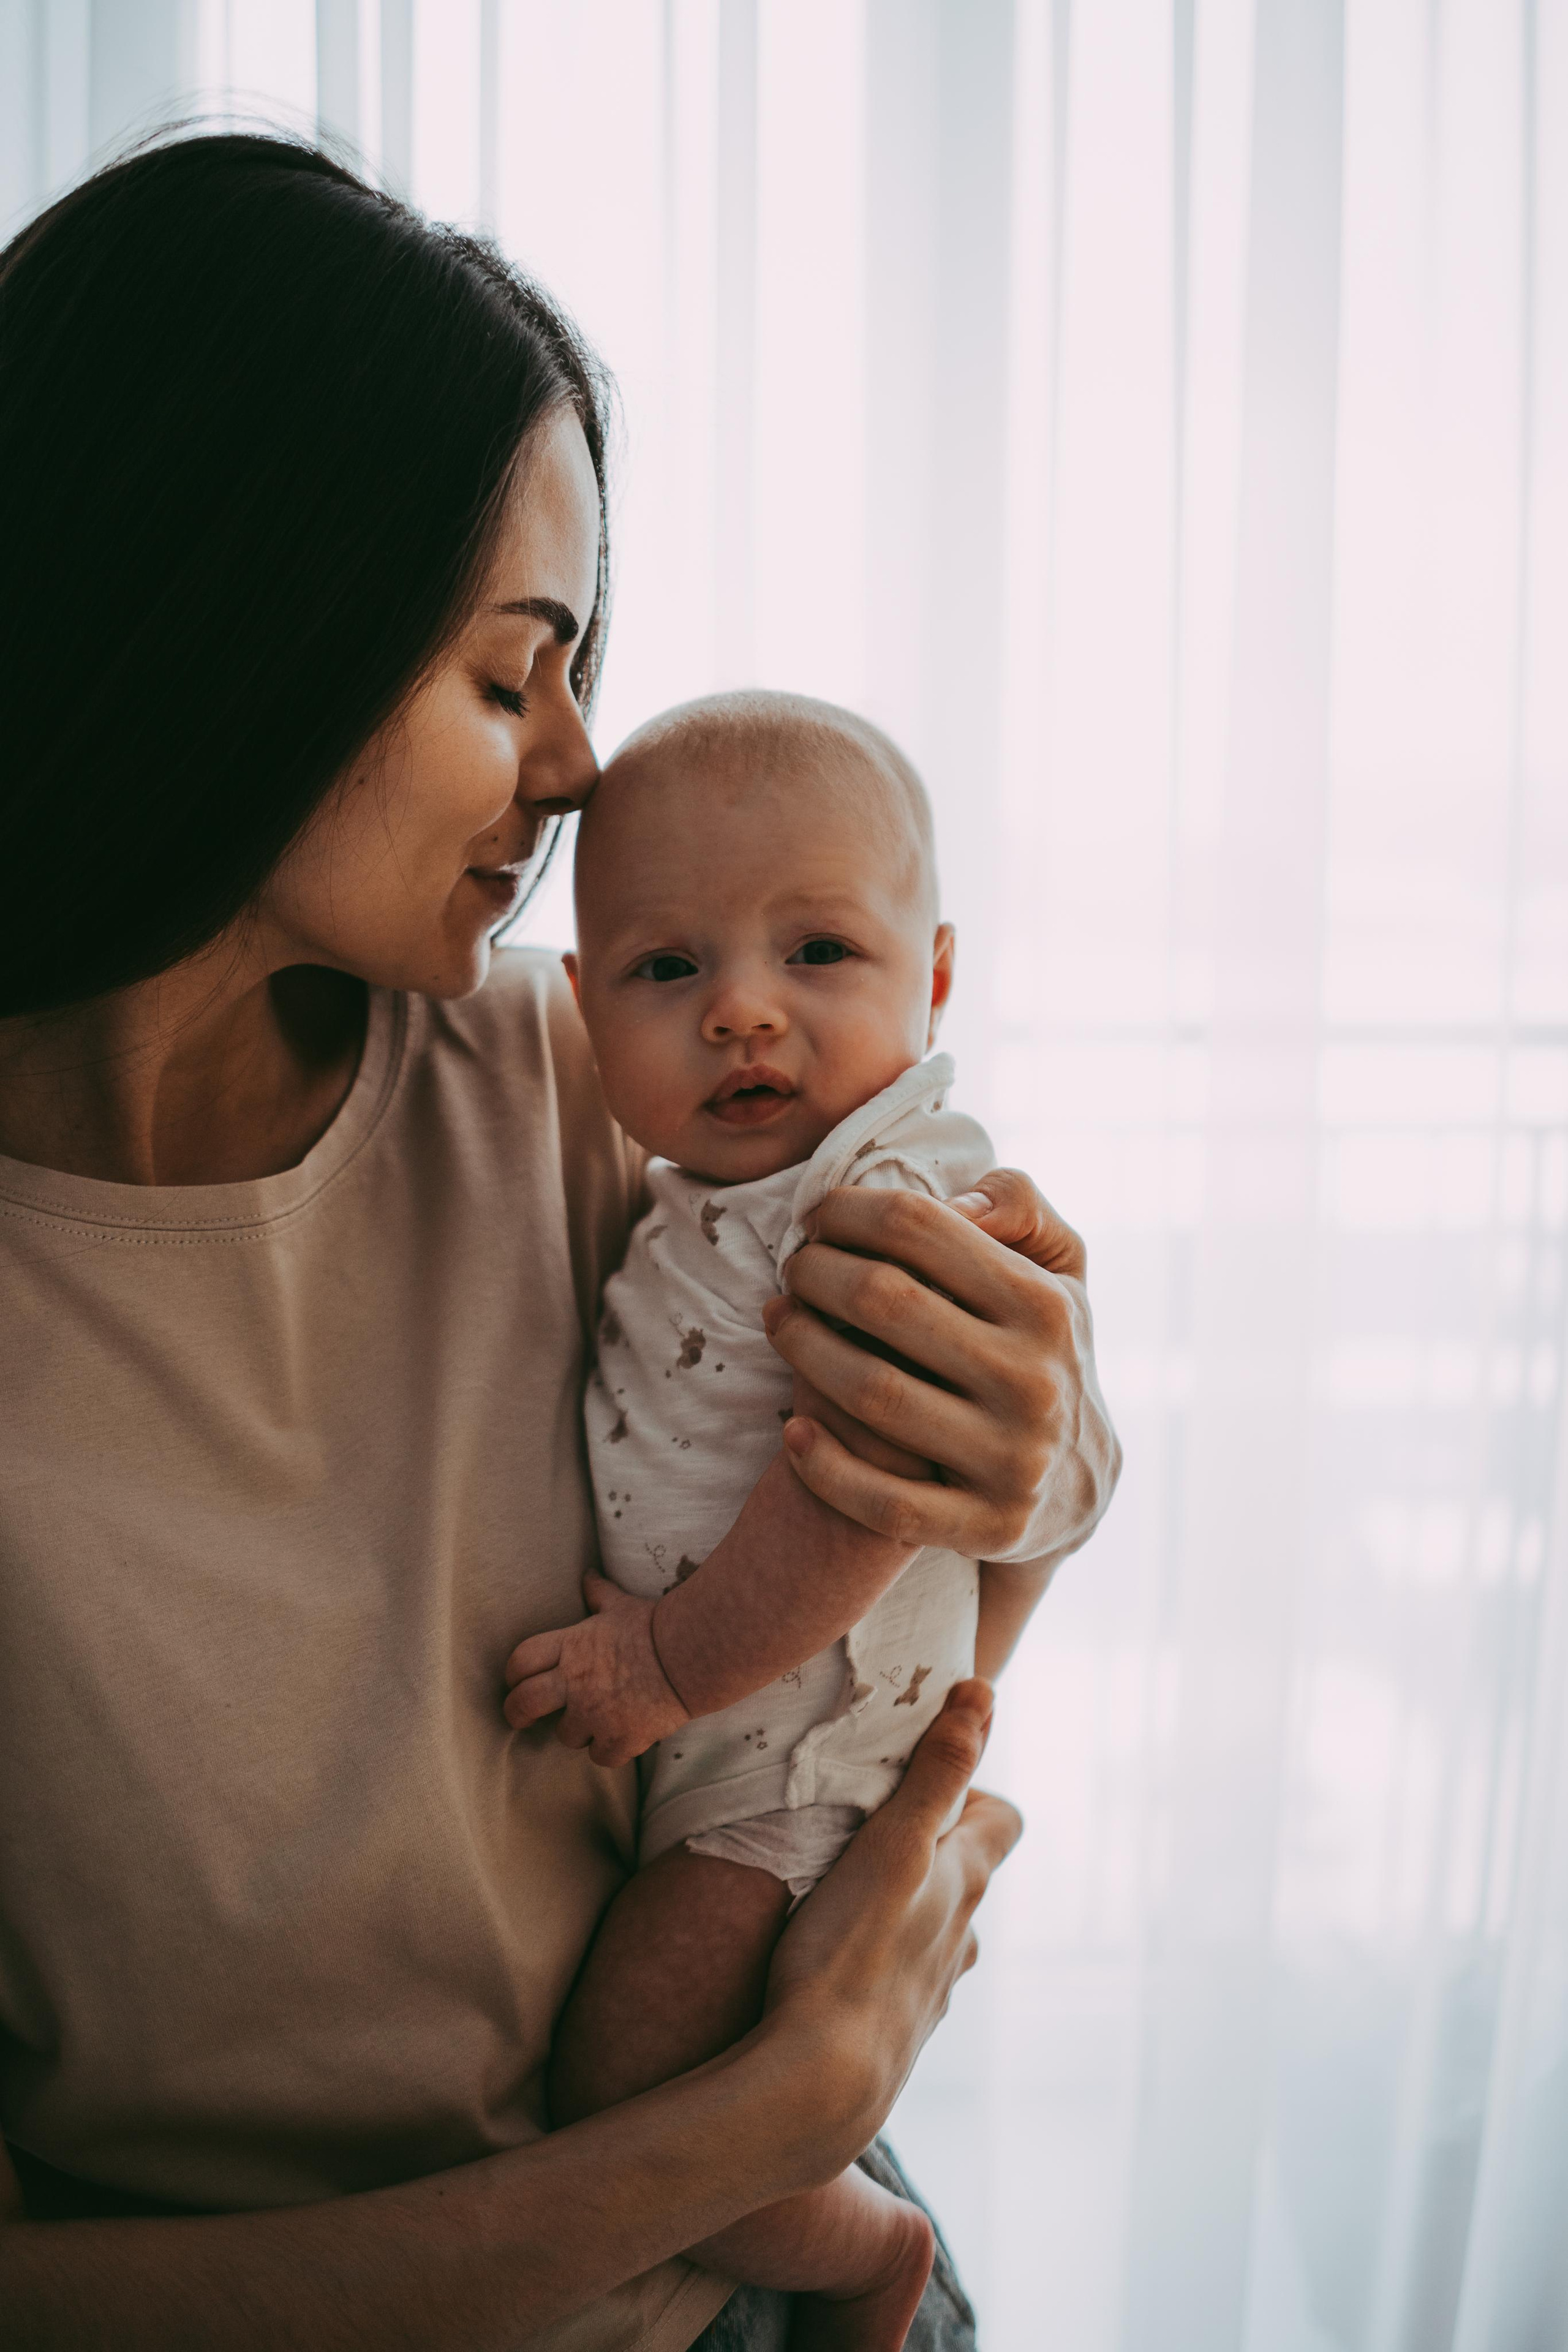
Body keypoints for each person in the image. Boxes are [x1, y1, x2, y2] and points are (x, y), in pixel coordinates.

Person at [0, 134, 1120, 2350]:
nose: (584, 769)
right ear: (236, 624)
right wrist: (750, 2128)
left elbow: (936, 1555)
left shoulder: (579, 1081)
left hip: (771, 2263)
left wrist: (1046, 1450)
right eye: (515, 679)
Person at [504, 690, 1065, 2349]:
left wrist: (662, 1668)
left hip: (794, 1764)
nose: (743, 1010)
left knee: (629, 2091)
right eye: (668, 969)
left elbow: (868, 1491)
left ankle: (867, 2254)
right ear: (586, 1005)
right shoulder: (712, 1197)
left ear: (934, 978)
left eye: (818, 952)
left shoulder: (883, 1198)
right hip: (748, 1741)